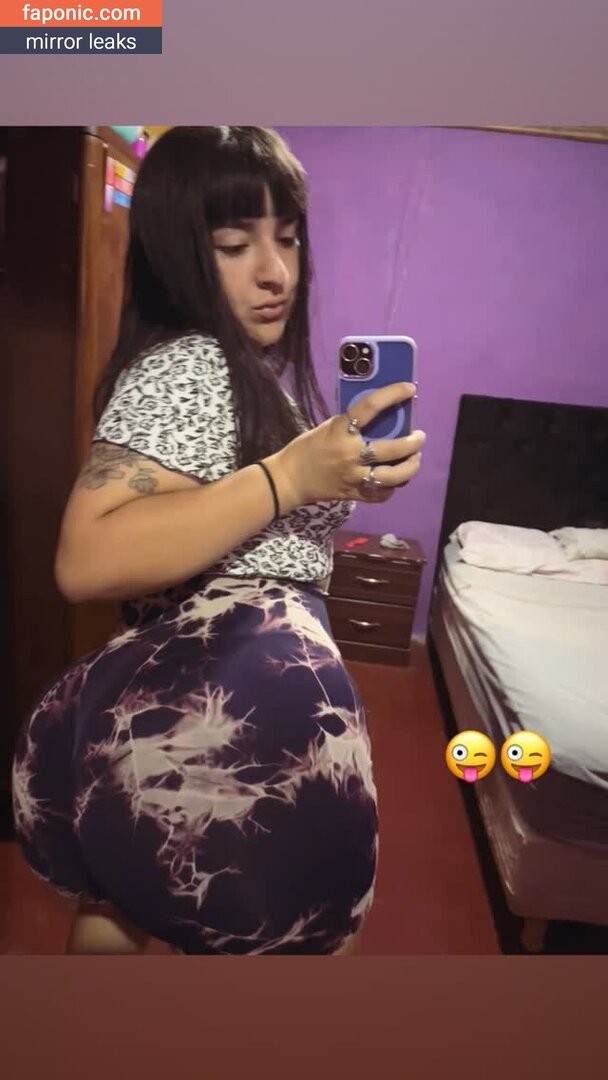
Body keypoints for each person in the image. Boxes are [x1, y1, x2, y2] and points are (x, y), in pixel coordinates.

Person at [11, 127, 424, 955]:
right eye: (235, 245)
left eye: (288, 238)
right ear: (177, 256)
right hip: (224, 708)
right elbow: (86, 558)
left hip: (201, 711)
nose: (277, 273)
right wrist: (291, 478)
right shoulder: (191, 363)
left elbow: (220, 513)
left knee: (117, 908)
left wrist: (333, 480)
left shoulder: (234, 368)